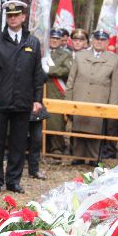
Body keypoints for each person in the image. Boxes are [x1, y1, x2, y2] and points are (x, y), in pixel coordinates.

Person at [0, 0, 43, 193]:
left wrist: (37, 99)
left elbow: (37, 73)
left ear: (23, 17)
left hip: (23, 100)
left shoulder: (32, 41)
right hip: (0, 100)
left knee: (18, 143)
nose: (13, 18)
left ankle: (13, 180)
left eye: (16, 15)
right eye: (9, 16)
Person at [66, 29, 118, 163]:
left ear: (107, 42)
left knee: (96, 131)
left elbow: (115, 86)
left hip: (99, 100)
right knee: (78, 129)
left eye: (102, 40)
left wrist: (112, 107)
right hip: (80, 98)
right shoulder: (80, 56)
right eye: (97, 39)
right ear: (91, 40)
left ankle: (93, 158)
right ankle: (77, 157)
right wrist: (67, 102)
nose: (99, 42)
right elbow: (70, 81)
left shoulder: (113, 59)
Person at [42, 28, 72, 157]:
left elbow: (67, 70)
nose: (54, 41)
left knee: (56, 121)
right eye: (52, 38)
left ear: (61, 41)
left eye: (57, 38)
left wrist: (48, 70)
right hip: (42, 90)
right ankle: (43, 145)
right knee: (41, 120)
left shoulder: (66, 54)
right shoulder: (43, 53)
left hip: (56, 91)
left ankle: (57, 148)